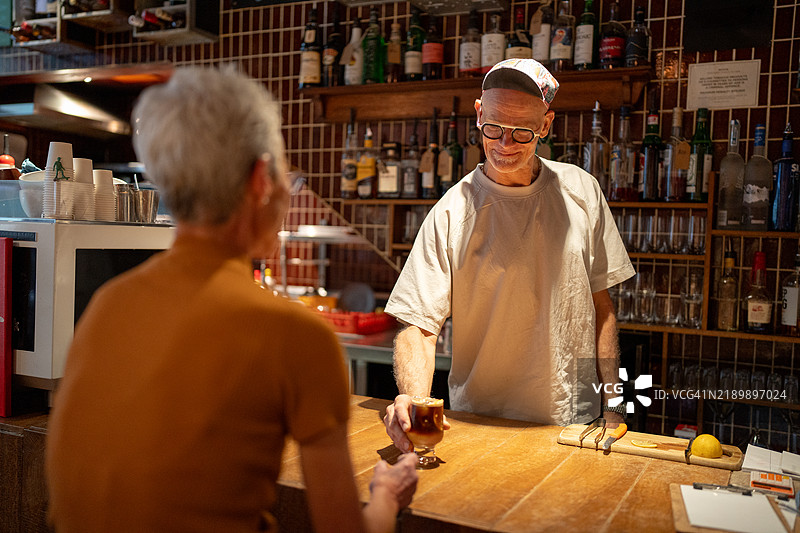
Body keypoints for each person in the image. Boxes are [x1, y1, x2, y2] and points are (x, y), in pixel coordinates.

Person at [46, 66, 417, 533]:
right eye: (284, 173)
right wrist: (386, 496)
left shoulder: (108, 304)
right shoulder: (296, 336)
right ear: (261, 179)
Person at [383, 58, 635, 453]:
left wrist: (614, 407)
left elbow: (601, 309)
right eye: (494, 128)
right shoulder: (451, 213)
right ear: (478, 113)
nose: (504, 145)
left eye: (521, 133)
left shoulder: (582, 191)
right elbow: (419, 327)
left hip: (574, 423)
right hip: (480, 422)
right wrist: (414, 400)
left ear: (545, 125)